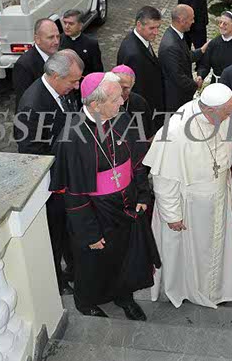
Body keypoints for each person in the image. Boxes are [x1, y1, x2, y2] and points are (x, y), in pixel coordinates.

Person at [144, 83, 232, 308]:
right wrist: (172, 215)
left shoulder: (220, 116)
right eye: (227, 113)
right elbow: (164, 178)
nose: (231, 117)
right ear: (211, 110)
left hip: (218, 198)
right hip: (189, 207)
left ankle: (215, 292)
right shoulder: (175, 131)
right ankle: (187, 291)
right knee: (192, 254)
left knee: (216, 250)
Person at [50, 72, 159, 319]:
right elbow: (73, 193)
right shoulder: (72, 137)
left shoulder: (123, 119)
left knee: (124, 255)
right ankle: (86, 301)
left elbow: (137, 162)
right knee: (92, 262)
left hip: (125, 204)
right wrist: (89, 232)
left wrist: (143, 195)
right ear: (96, 104)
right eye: (115, 99)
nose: (122, 102)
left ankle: (124, 296)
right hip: (95, 211)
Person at [16, 50, 84, 295]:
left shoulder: (62, 90)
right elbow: (31, 153)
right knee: (55, 236)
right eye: (73, 81)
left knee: (68, 233)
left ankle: (74, 270)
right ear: (55, 76)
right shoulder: (32, 105)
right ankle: (57, 281)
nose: (77, 87)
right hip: (51, 186)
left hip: (67, 179)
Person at [116, 6, 164, 131]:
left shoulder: (140, 40)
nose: (156, 32)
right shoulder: (134, 54)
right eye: (152, 28)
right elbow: (136, 93)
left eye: (158, 27)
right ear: (139, 24)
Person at [158, 5, 208, 112]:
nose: (193, 22)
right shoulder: (170, 46)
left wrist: (202, 50)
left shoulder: (176, 35)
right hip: (176, 100)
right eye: (191, 18)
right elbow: (178, 77)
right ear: (181, 20)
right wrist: (196, 85)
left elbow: (184, 56)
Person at [13, 18, 60, 110]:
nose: (56, 41)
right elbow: (24, 102)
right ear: (37, 39)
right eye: (51, 37)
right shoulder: (24, 66)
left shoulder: (61, 54)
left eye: (58, 36)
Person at [197, 11, 232, 84]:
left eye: (225, 24)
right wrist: (200, 76)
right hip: (216, 83)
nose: (221, 26)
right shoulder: (213, 43)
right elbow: (205, 65)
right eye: (220, 22)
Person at [111, 65, 154, 141]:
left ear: (132, 85)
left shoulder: (139, 102)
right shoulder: (101, 102)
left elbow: (148, 134)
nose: (121, 92)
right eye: (117, 86)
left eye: (126, 88)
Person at [59, 9, 104, 76]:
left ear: (80, 26)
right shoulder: (58, 41)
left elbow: (97, 70)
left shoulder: (91, 44)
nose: (66, 27)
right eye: (65, 23)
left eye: (71, 24)